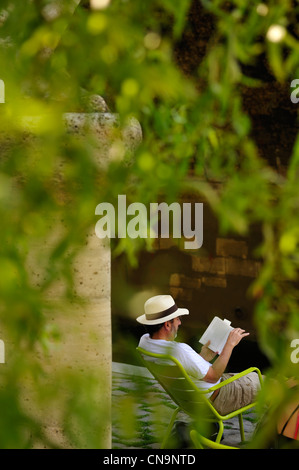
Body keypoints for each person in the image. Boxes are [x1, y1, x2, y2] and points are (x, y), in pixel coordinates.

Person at [137, 294, 262, 416]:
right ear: (167, 324)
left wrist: (202, 356)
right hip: (216, 400)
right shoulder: (179, 350)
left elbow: (186, 369)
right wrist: (230, 344)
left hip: (189, 402)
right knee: (274, 385)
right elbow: (213, 376)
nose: (180, 323)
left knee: (253, 377)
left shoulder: (144, 343)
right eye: (177, 319)